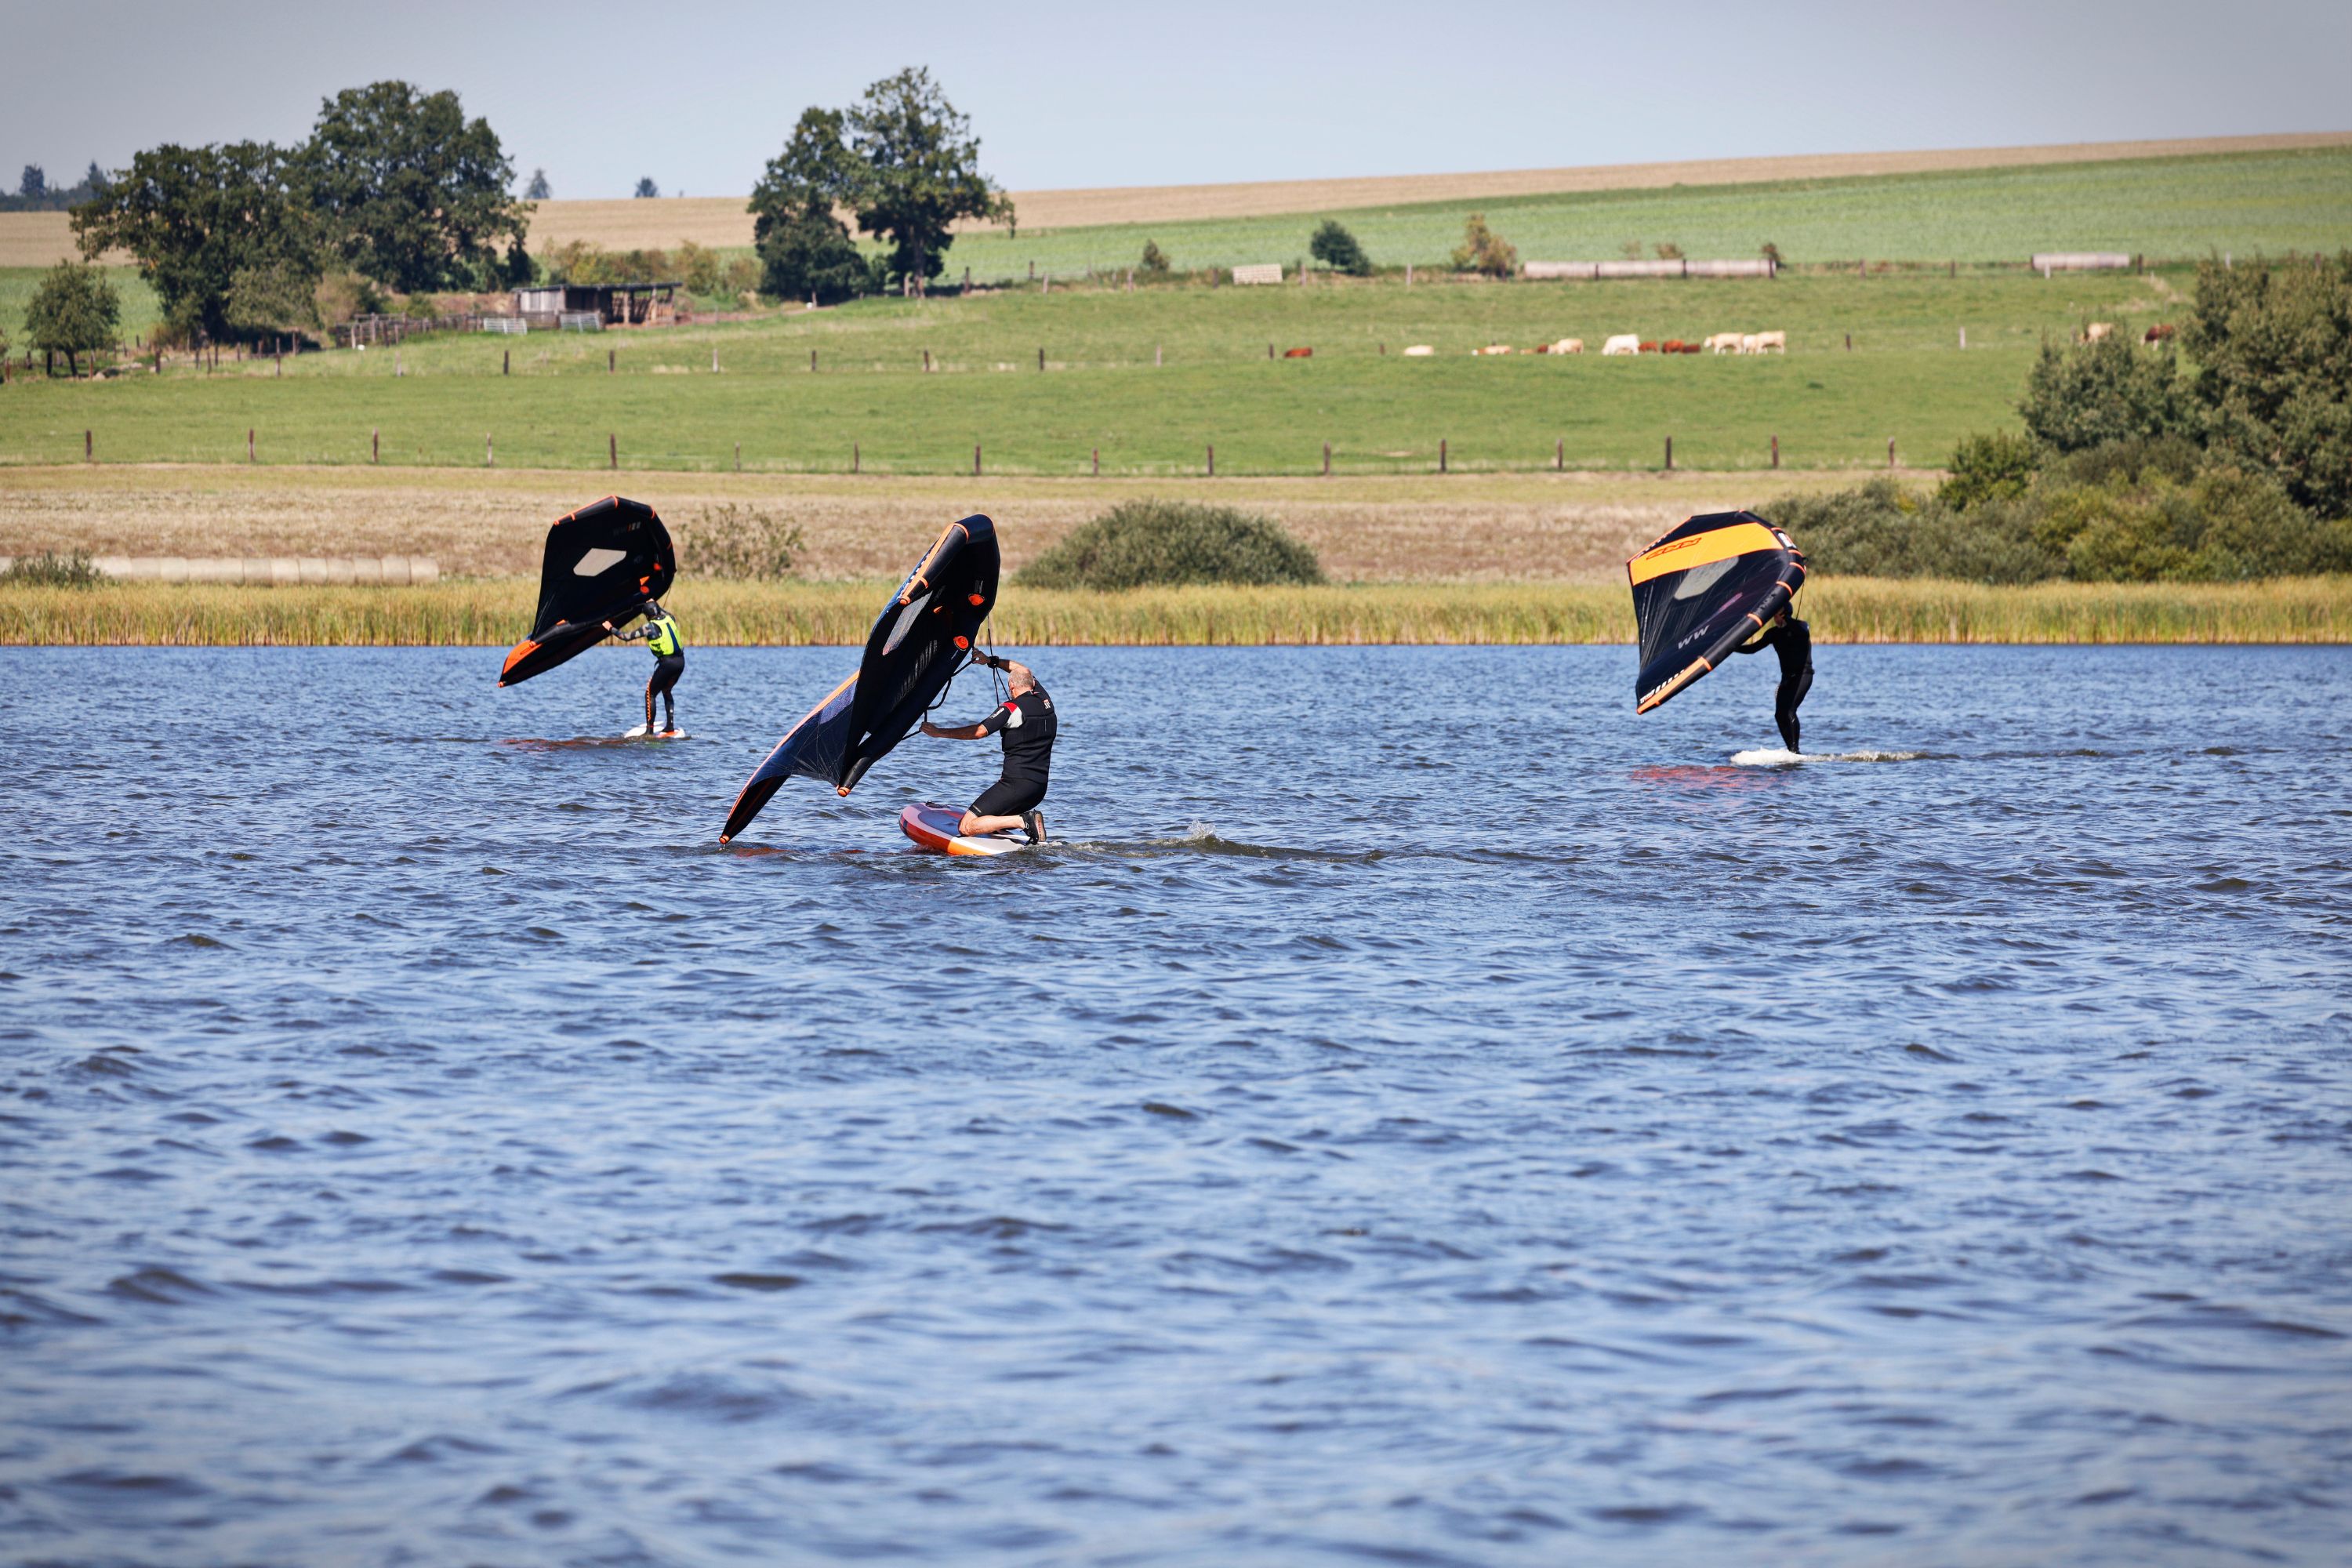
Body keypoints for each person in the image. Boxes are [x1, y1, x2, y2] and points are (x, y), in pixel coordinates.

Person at [920, 653, 1056, 844]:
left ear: (1011, 687)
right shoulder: (1045, 700)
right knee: (996, 819)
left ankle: (1023, 820)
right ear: (1032, 683)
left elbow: (979, 732)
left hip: (1015, 786)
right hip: (1039, 789)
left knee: (966, 826)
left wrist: (939, 732)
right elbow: (1022, 670)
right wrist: (991, 661)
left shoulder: (1011, 708)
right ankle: (1020, 825)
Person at [1733, 603, 1813, 753]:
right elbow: (1753, 649)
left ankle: (1795, 750)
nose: (1774, 617)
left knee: (1789, 711)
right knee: (1779, 714)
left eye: (1777, 614)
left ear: (1784, 614)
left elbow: (1803, 631)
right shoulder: (1773, 634)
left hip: (1803, 676)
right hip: (1787, 678)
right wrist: (1731, 648)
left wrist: (1787, 617)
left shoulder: (1800, 627)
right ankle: (1791, 750)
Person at [603, 599, 684, 735]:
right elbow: (662, 612)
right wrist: (654, 602)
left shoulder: (650, 627)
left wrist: (610, 628)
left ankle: (649, 732)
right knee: (666, 690)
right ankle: (670, 727)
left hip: (668, 664)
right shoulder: (670, 618)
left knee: (650, 694)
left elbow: (626, 637)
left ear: (647, 616)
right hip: (681, 662)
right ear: (658, 610)